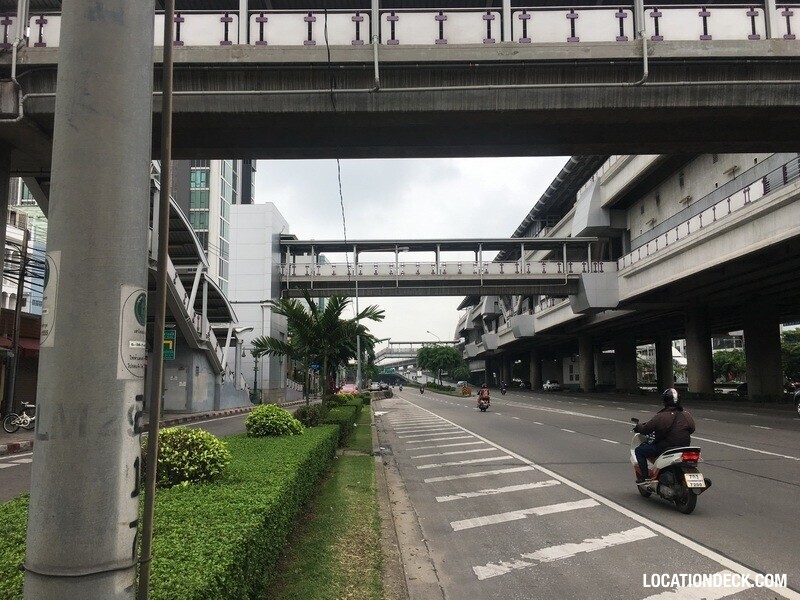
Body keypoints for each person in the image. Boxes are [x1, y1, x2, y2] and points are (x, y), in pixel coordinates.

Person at [633, 388, 696, 484]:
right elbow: (692, 429)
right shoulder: (686, 415)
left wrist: (638, 427)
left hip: (666, 447)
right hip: (684, 447)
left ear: (665, 401)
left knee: (639, 451)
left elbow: (646, 429)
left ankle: (644, 477)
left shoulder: (661, 416)